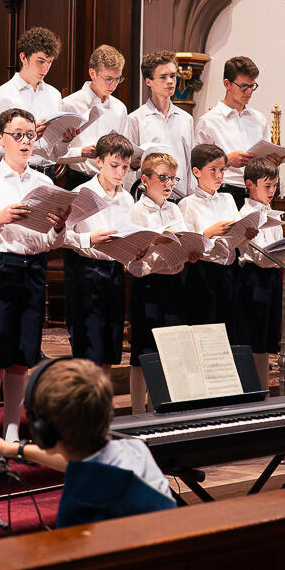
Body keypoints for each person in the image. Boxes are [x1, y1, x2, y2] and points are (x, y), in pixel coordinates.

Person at [0, 359, 175, 527]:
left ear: (44, 431)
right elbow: (86, 464)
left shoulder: (80, 502)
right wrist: (8, 448)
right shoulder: (136, 450)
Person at [0, 108, 68, 441]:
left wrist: (59, 228)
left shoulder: (44, 182)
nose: (25, 142)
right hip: (0, 267)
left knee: (22, 355)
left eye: (30, 135)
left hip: (34, 268)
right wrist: (0, 218)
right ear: (0, 139)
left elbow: (51, 240)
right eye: (17, 135)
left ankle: (11, 431)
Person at [125, 151, 199, 413]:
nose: (169, 184)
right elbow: (132, 262)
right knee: (143, 352)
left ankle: (164, 409)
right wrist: (156, 242)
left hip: (173, 284)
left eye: (173, 178)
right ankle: (137, 412)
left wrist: (189, 250)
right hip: (148, 286)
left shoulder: (175, 209)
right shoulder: (136, 211)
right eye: (163, 178)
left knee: (172, 350)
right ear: (145, 179)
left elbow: (181, 242)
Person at [61, 132, 139, 369]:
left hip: (115, 272)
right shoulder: (82, 193)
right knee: (88, 346)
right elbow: (60, 236)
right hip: (86, 271)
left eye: (125, 167)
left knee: (109, 348)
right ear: (99, 162)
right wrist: (89, 239)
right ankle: (86, 403)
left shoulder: (127, 199)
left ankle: (102, 404)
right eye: (114, 165)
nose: (120, 173)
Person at [179, 143, 243, 335]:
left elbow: (236, 233)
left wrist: (244, 234)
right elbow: (185, 246)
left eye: (222, 170)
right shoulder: (187, 204)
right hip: (201, 272)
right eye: (213, 169)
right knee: (203, 327)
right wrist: (208, 233)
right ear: (197, 171)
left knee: (227, 327)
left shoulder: (228, 199)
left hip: (228, 270)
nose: (219, 175)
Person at [234, 158, 285, 391]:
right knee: (253, 337)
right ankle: (251, 391)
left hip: (272, 277)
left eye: (275, 186)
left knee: (266, 340)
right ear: (250, 184)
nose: (272, 191)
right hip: (253, 279)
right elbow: (258, 255)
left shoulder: (271, 213)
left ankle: (262, 390)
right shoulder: (246, 213)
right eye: (267, 186)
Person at [0, 25, 66, 172]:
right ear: (23, 57)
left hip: (49, 172)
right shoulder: (1, 96)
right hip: (18, 172)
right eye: (41, 61)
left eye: (50, 62)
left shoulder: (54, 95)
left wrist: (65, 141)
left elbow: (56, 153)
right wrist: (26, 137)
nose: (45, 68)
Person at [194, 55, 269, 209]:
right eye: (244, 87)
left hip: (256, 192)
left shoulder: (259, 119)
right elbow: (197, 166)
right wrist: (226, 160)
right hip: (225, 190)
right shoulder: (209, 121)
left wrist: (273, 160)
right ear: (227, 84)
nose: (249, 92)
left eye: (252, 86)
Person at [56, 44, 129, 191]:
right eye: (108, 79)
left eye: (118, 79)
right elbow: (54, 154)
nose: (114, 85)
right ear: (92, 73)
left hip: (110, 183)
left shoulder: (119, 108)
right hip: (78, 179)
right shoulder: (69, 104)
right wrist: (81, 152)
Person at [124, 49, 194, 199]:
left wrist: (191, 199)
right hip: (147, 198)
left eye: (173, 76)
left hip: (180, 198)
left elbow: (190, 166)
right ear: (149, 82)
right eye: (163, 77)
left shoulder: (186, 119)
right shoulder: (135, 119)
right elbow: (128, 167)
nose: (170, 81)